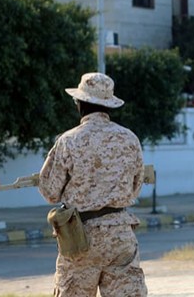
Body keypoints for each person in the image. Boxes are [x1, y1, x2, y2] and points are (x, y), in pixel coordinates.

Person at [38, 72, 147, 297]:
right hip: (120, 236)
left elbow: (50, 192)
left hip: (80, 239)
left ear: (80, 103)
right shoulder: (130, 138)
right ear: (108, 105)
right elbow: (135, 188)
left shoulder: (68, 140)